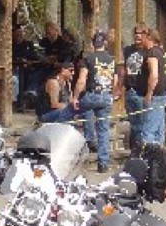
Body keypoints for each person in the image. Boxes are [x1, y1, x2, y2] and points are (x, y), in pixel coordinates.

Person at [73, 29, 118, 172]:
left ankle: (88, 140)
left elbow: (82, 80)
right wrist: (112, 95)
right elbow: (115, 80)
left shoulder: (88, 59)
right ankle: (103, 163)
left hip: (92, 94)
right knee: (103, 129)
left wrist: (75, 97)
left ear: (93, 44)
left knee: (82, 110)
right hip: (106, 95)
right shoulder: (112, 60)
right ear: (105, 43)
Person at [37, 61, 97, 153]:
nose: (73, 73)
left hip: (63, 110)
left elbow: (71, 100)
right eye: (71, 70)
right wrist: (70, 108)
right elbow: (54, 104)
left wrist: (77, 105)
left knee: (87, 110)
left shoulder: (67, 82)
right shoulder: (54, 83)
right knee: (68, 112)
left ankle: (90, 140)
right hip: (47, 113)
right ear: (63, 71)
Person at [118, 23, 147, 150]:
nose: (137, 35)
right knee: (133, 123)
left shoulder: (148, 51)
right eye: (136, 33)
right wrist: (119, 88)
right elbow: (122, 70)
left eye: (141, 33)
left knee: (142, 123)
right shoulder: (128, 50)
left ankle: (141, 150)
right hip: (129, 90)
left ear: (146, 35)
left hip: (142, 92)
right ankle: (133, 150)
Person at [138, 28, 166, 145]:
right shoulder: (161, 52)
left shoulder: (152, 53)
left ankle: (148, 153)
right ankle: (159, 151)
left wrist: (149, 94)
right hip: (162, 94)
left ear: (149, 37)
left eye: (143, 36)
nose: (141, 38)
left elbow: (154, 75)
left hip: (154, 95)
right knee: (159, 128)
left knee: (148, 129)